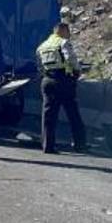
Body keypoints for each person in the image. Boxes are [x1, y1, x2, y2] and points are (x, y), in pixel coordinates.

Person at [37, 22, 87, 154]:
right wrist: (77, 71)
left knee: (48, 115)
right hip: (63, 80)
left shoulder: (43, 46)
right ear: (63, 31)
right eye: (68, 32)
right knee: (73, 113)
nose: (69, 35)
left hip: (47, 80)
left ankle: (48, 146)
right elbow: (70, 58)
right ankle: (80, 144)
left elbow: (39, 64)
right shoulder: (63, 43)